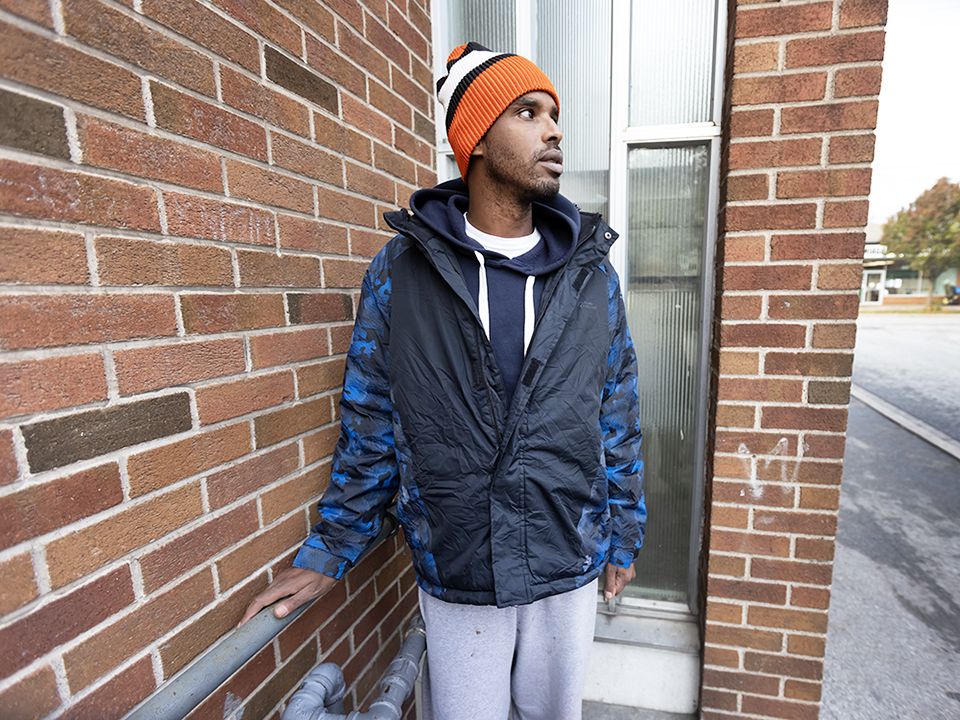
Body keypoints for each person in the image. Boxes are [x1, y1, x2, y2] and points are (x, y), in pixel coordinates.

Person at [240, 42, 646, 719]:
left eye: (555, 116)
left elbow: (618, 414)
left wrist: (623, 536)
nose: (554, 131)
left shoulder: (589, 275)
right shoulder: (402, 274)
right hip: (459, 569)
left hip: (565, 560)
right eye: (528, 112)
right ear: (477, 140)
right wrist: (333, 548)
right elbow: (370, 420)